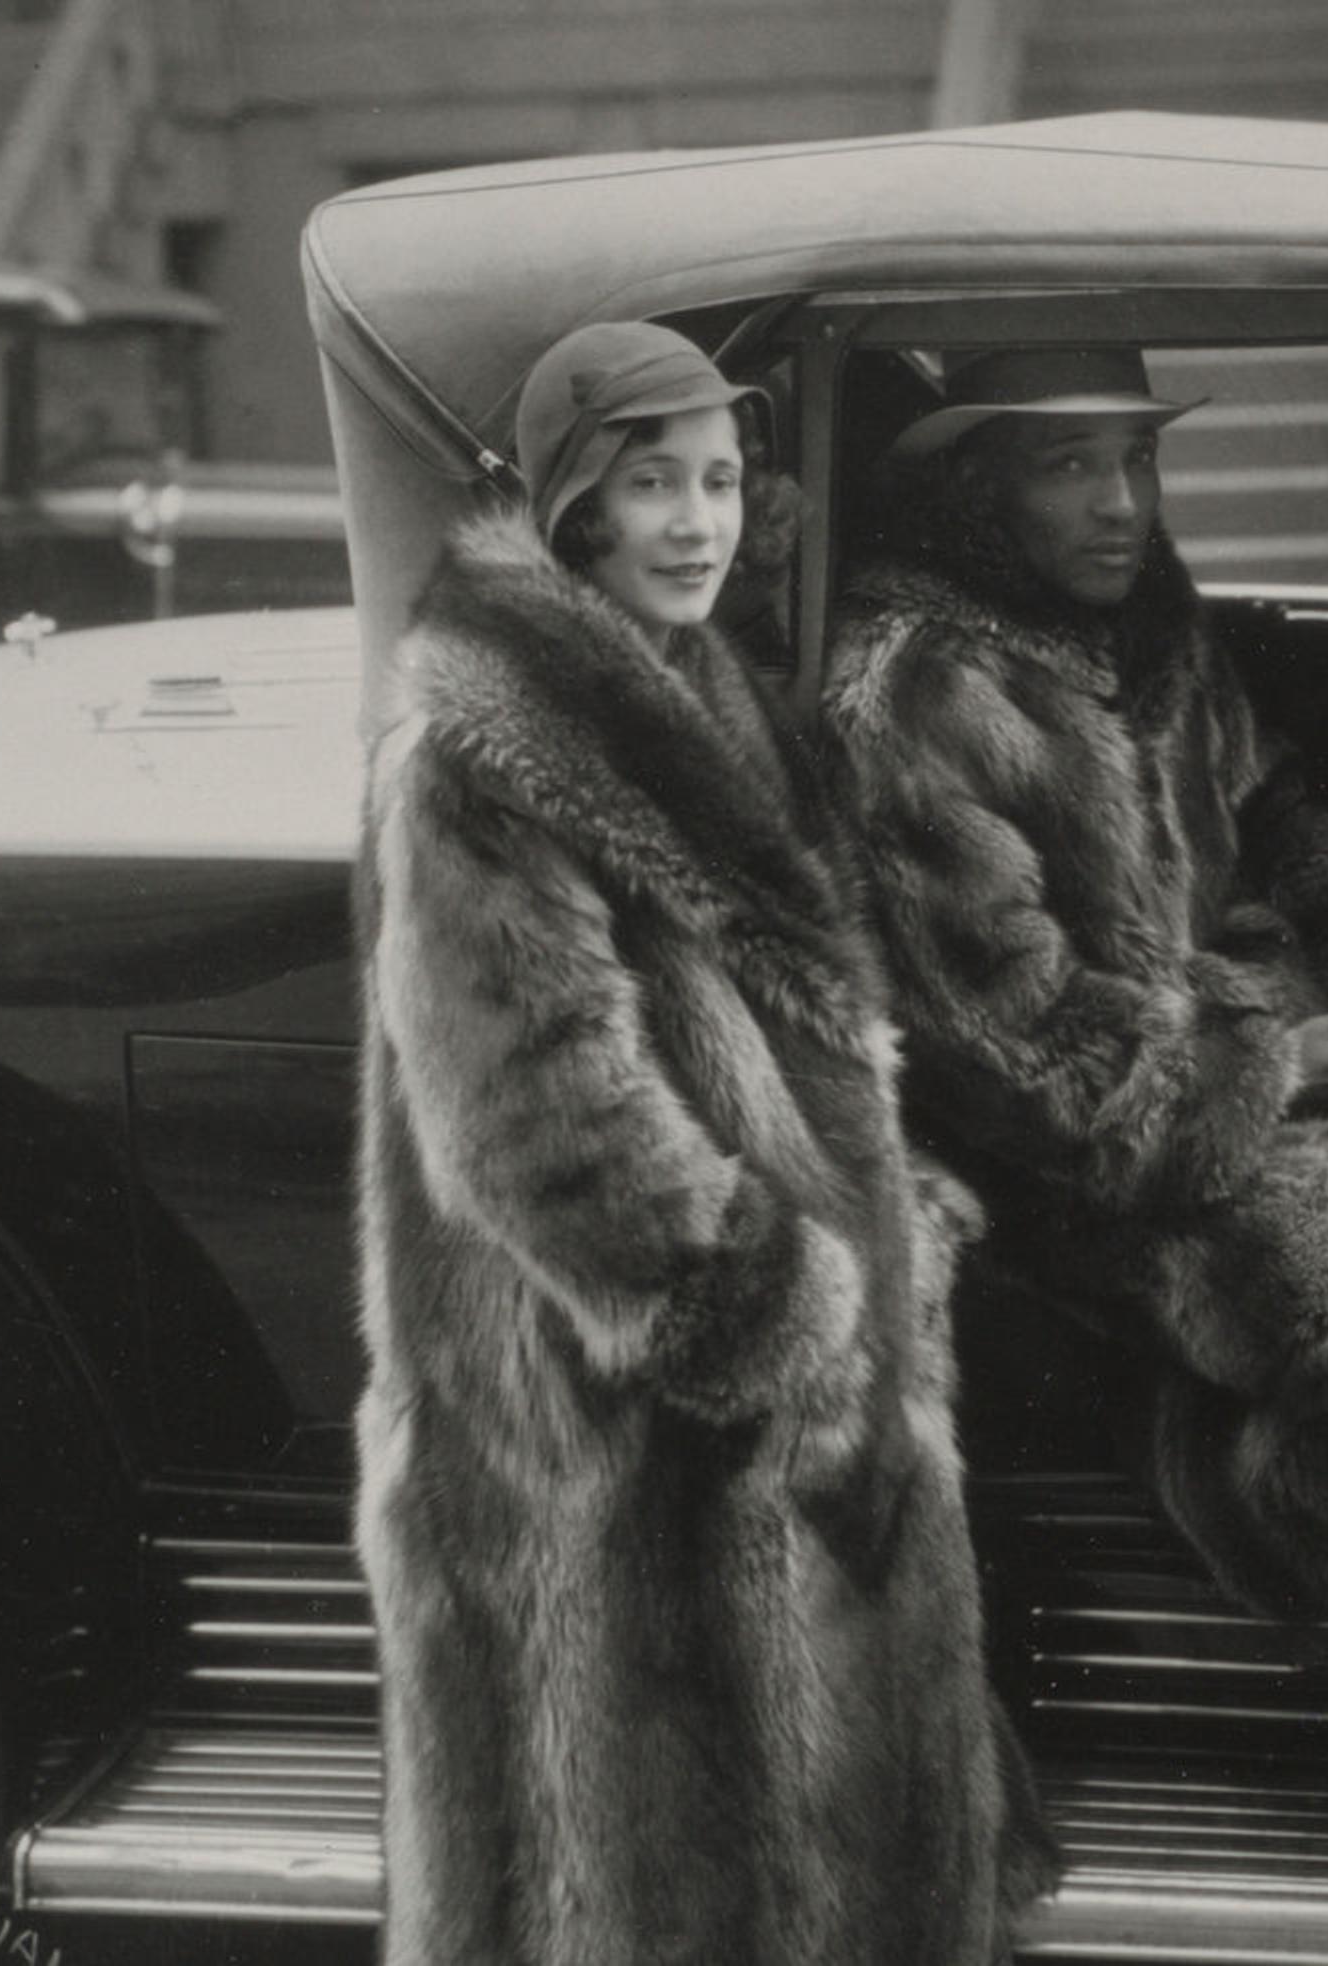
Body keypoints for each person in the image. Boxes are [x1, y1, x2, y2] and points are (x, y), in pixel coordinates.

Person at [356, 320, 1043, 1965]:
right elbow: (536, 1121)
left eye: (722, 481)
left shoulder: (702, 688)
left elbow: (776, 1018)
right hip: (614, 1422)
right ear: (577, 505)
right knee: (651, 1882)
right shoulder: (480, 748)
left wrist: (888, 1216)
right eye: (651, 482)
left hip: (766, 1392)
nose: (695, 520)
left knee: (813, 1854)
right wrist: (787, 1321)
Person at [816, 345, 1328, 1619]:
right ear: (978, 486)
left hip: (1255, 1038)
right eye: (1070, 464)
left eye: (1138, 456)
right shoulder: (914, 686)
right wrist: (1272, 1067)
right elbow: (1009, 1048)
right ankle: (1327, 1602)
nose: (1123, 503)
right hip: (1086, 1166)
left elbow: (1278, 819)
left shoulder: (1149, 617)